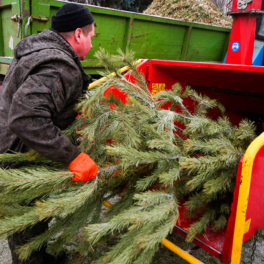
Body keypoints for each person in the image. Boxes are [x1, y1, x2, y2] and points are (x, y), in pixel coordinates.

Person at [0, 3, 98, 264]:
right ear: (78, 34)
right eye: (91, 37)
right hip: (16, 155)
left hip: (11, 145)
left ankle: (40, 257)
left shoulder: (37, 48)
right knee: (25, 222)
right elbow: (27, 117)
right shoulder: (60, 65)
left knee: (32, 220)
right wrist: (73, 156)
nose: (91, 45)